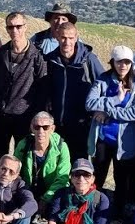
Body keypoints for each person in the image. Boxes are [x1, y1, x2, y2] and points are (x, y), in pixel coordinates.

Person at [86, 45, 135, 207]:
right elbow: (90, 103)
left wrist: (108, 112)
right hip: (103, 140)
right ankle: (90, 210)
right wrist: (115, 100)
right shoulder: (102, 81)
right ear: (113, 62)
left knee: (122, 182)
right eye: (119, 62)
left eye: (127, 62)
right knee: (97, 178)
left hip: (125, 144)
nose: (123, 66)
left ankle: (118, 216)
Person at [0, 11, 47, 155]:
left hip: (24, 116)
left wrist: (36, 117)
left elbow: (42, 88)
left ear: (25, 27)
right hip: (1, 114)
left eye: (18, 26)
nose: (15, 31)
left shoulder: (36, 55)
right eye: (10, 27)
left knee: (24, 156)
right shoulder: (3, 52)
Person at [43, 22, 104, 160]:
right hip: (57, 123)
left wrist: (100, 110)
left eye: (71, 38)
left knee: (79, 164)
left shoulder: (88, 59)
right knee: (57, 163)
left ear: (76, 37)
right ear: (57, 37)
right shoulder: (50, 60)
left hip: (81, 125)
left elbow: (103, 84)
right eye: (63, 37)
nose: (67, 42)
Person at [12, 112, 70, 218]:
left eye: (45, 127)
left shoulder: (62, 147)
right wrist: (27, 195)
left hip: (52, 192)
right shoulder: (23, 144)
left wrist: (45, 199)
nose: (41, 131)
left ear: (52, 129)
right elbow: (14, 172)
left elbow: (63, 178)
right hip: (28, 190)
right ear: (32, 128)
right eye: (37, 127)